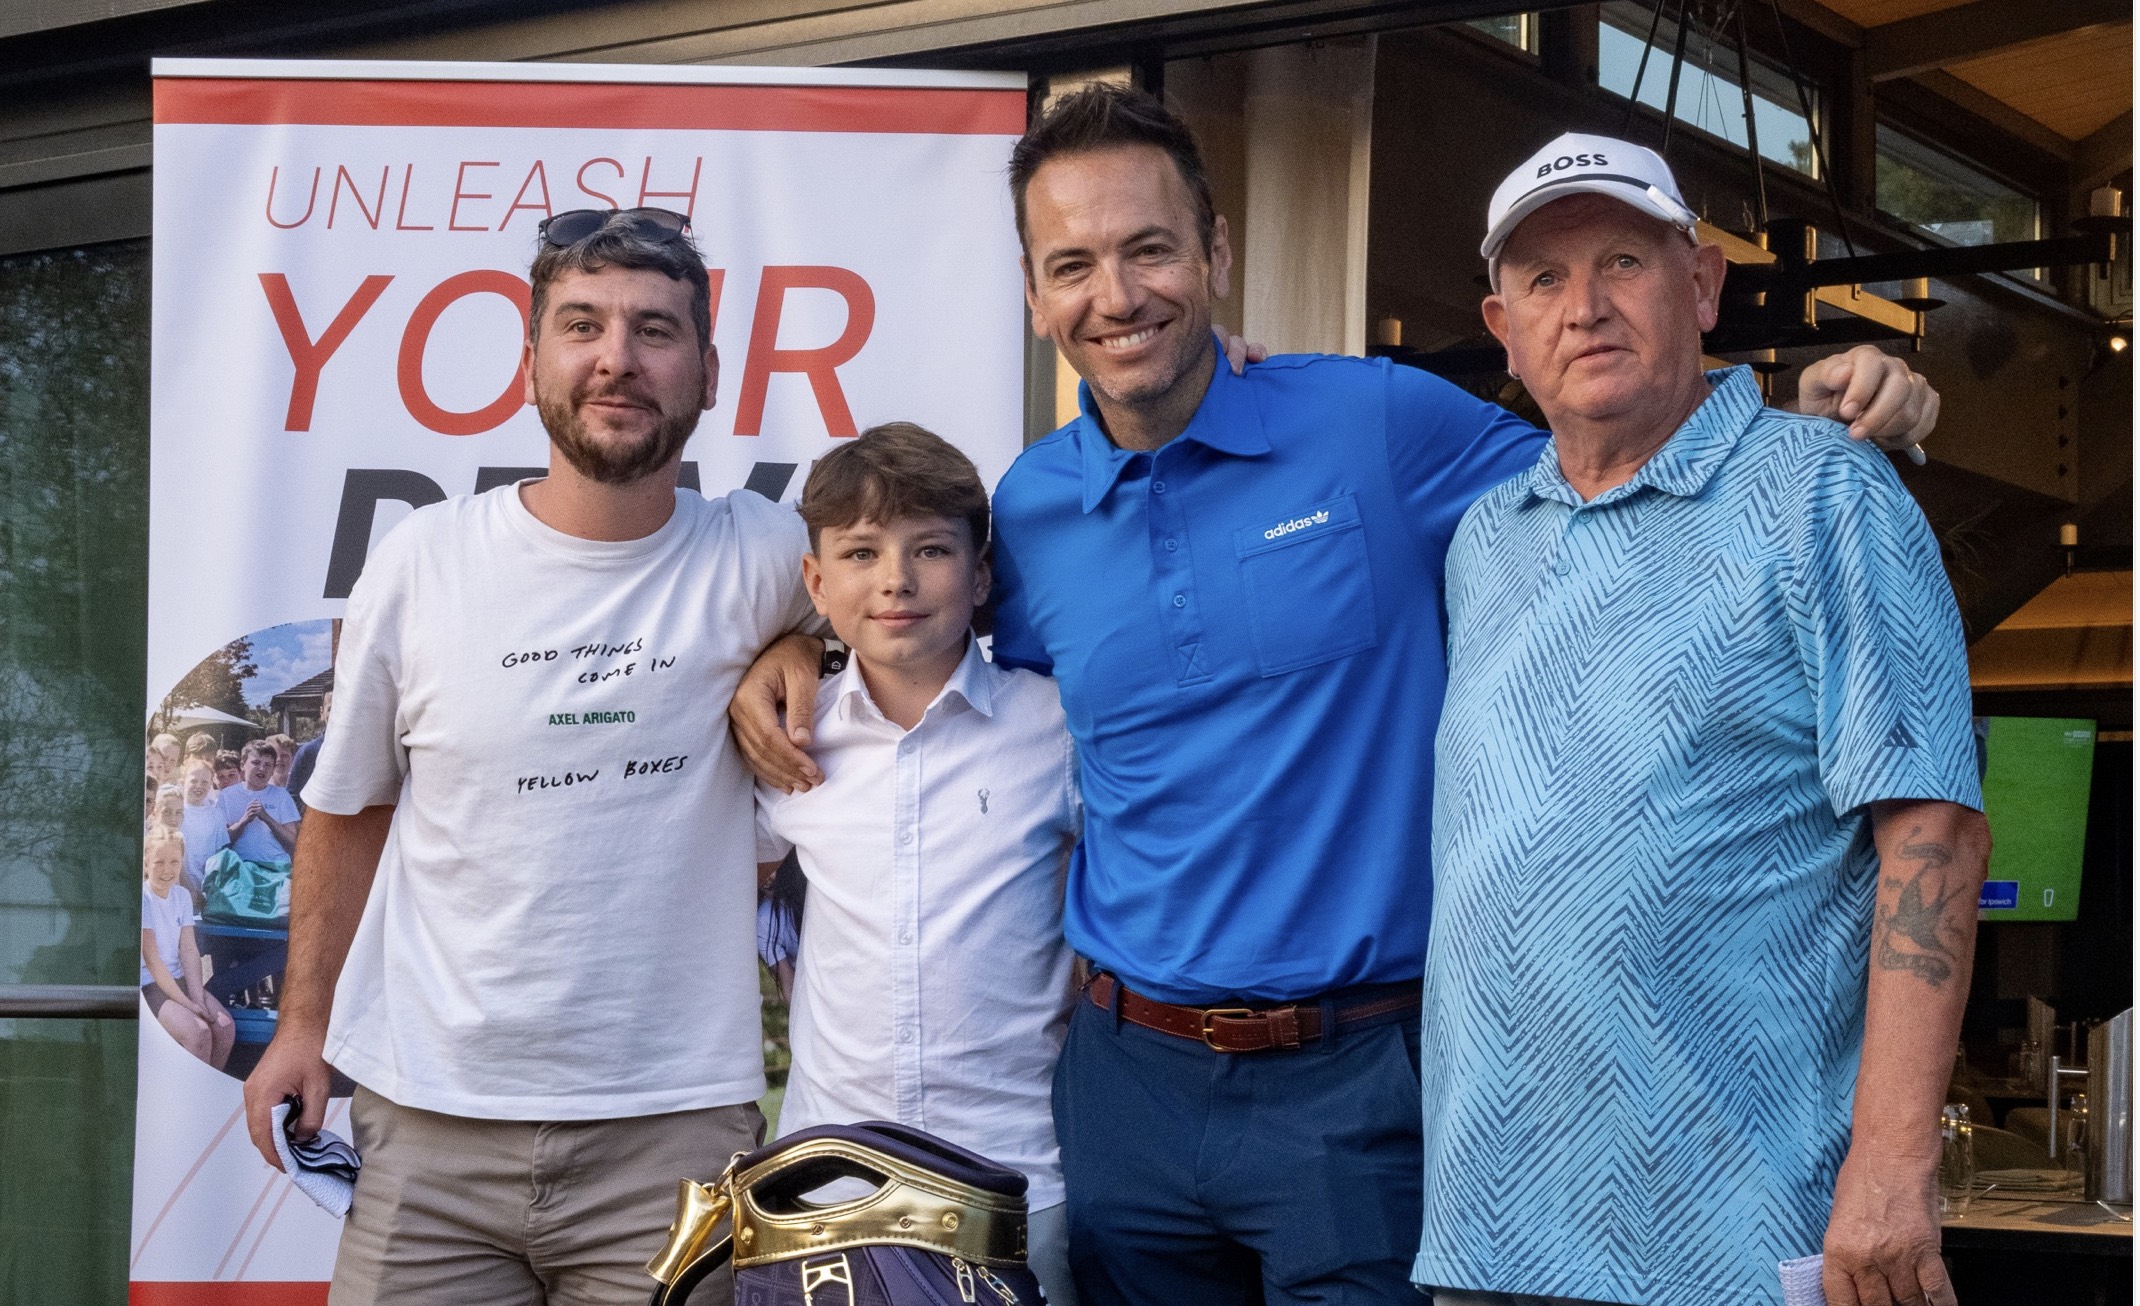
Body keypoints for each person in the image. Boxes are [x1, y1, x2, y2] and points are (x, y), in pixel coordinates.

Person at [730, 85, 1942, 1306]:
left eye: (1152, 248)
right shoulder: (1033, 508)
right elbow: (909, 620)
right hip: (1121, 1088)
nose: (1119, 294)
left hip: (1358, 1077)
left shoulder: (1378, 423)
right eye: (1073, 264)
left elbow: (1619, 461)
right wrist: (792, 640)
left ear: (1215, 253)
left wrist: (1817, 413)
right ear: (1036, 296)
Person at [1413, 134, 1988, 1306]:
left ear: (1702, 286)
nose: (1583, 307)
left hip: (1729, 1234)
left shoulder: (1823, 489)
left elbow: (1932, 825)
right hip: (1488, 1234)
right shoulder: (1485, 538)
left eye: (1623, 260)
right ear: (1502, 326)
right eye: (1543, 280)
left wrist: (1891, 1166)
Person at [241, 207, 820, 1306]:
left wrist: (800, 638)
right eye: (583, 325)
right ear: (529, 362)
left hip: (672, 1136)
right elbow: (349, 805)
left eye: (656, 330)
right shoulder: (422, 562)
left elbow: (923, 600)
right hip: (429, 1127)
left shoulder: (764, 550)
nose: (618, 358)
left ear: (707, 371)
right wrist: (302, 1025)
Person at [753, 423, 1083, 1306]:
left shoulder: (1054, 728)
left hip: (1018, 1177)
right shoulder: (785, 738)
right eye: (860, 553)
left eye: (930, 549)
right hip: (833, 1188)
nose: (895, 580)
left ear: (979, 575)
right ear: (816, 583)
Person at [141, 827, 236, 1070]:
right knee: (199, 1034)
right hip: (151, 985)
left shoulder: (182, 896)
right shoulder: (143, 898)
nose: (167, 870)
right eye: (159, 862)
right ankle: (191, 1101)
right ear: (145, 863)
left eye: (174, 862)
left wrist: (198, 998)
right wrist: (187, 1004)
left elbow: (189, 951)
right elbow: (153, 961)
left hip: (179, 981)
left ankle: (208, 1094)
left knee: (224, 1027)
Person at [219, 738, 300, 864]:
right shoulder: (226, 795)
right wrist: (243, 821)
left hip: (276, 867)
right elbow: (220, 842)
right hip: (240, 866)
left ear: (273, 770)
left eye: (268, 765)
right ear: (242, 765)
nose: (262, 769)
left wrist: (267, 818)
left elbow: (293, 842)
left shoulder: (282, 795)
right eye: (256, 763)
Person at [179, 757, 231, 897]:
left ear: (210, 785)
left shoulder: (217, 815)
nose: (199, 786)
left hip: (207, 888)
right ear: (182, 782)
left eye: (204, 782)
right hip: (178, 885)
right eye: (194, 781)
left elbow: (220, 856)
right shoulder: (176, 811)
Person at [288, 690, 329, 809]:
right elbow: (293, 796)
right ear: (322, 712)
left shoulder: (363, 752)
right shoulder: (308, 752)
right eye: (331, 709)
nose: (338, 713)